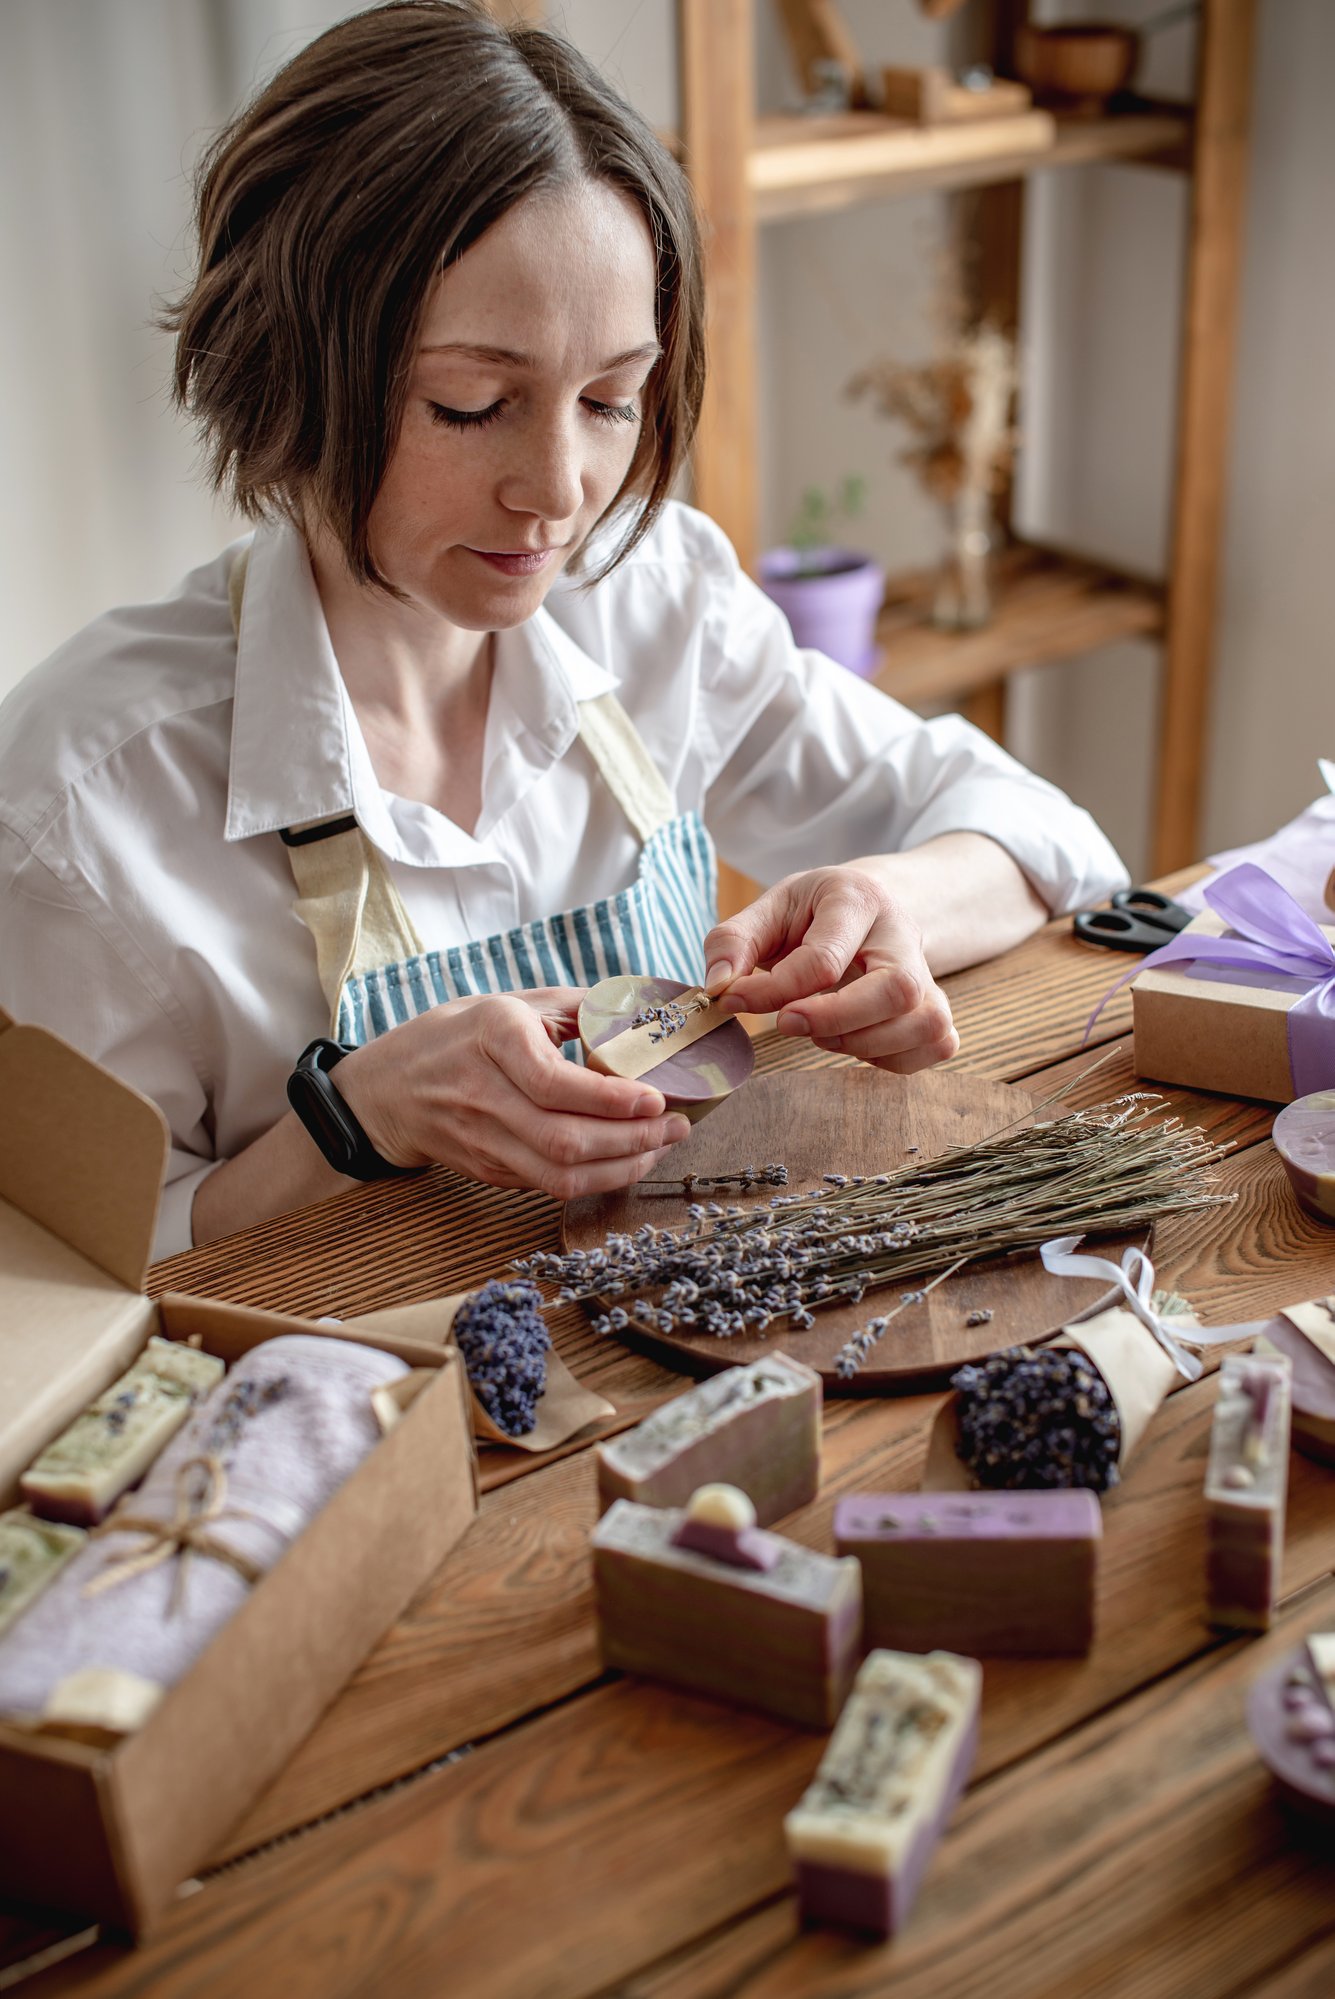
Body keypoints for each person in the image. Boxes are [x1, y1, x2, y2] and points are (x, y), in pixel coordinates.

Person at [0, 0, 1126, 1262]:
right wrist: (352, 1119)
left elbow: (1043, 837)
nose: (559, 490)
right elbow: (63, 1277)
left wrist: (885, 903)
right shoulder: (79, 801)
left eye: (610, 399)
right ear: (287, 363)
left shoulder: (653, 604)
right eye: (471, 404)